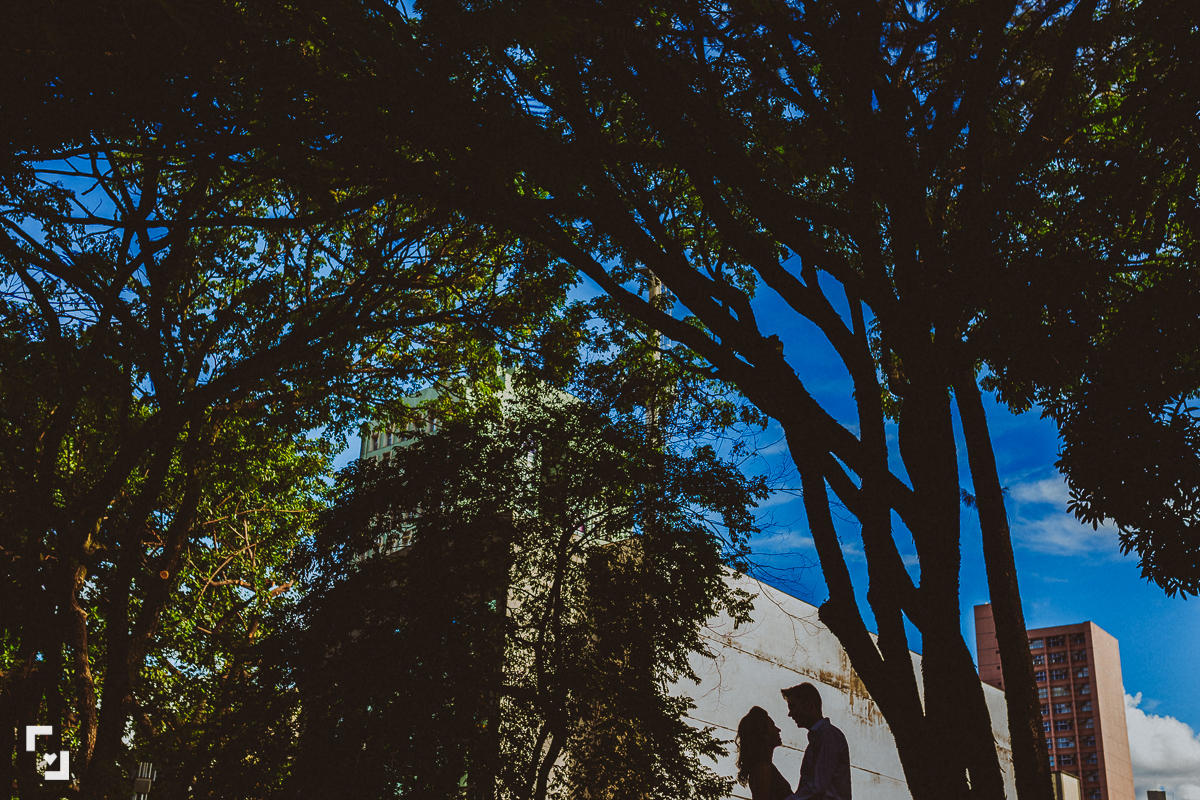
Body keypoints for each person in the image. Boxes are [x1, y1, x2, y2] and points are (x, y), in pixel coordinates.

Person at [781, 682, 851, 800]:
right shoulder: (822, 736)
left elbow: (817, 787)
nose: (790, 714)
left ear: (808, 704)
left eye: (793, 707)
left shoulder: (827, 735)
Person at [736, 705, 794, 800]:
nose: (778, 730)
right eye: (773, 726)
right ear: (764, 734)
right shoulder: (763, 769)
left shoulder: (763, 767)